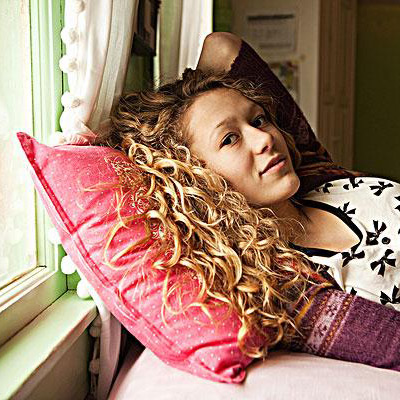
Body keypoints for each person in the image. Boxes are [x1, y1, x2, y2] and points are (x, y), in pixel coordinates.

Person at [94, 32, 400, 370]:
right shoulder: (288, 285)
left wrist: (189, 102)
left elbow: (222, 46)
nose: (265, 138)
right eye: (229, 139)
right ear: (196, 177)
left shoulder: (315, 174)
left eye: (258, 119)